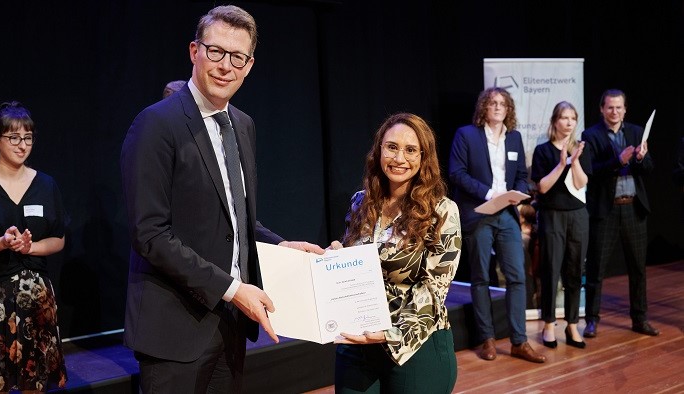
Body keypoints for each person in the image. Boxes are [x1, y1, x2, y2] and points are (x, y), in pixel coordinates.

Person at [120, 6, 324, 393]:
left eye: (237, 57)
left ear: (249, 66)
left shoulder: (242, 124)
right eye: (216, 52)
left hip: (229, 325)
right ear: (194, 51)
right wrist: (233, 289)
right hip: (174, 333)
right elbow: (150, 235)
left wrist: (282, 246)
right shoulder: (155, 125)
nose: (225, 66)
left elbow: (235, 218)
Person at [331, 113, 462, 393]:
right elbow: (358, 265)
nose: (399, 158)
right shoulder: (361, 202)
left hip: (416, 346)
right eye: (391, 147)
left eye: (410, 150)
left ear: (424, 157)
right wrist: (336, 258)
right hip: (359, 343)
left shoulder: (442, 211)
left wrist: (390, 335)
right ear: (379, 150)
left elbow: (435, 288)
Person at [448, 87, 546, 363]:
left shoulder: (514, 138)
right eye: (492, 103)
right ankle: (487, 339)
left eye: (503, 103)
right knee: (481, 277)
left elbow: (523, 176)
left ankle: (519, 341)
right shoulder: (466, 135)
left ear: (509, 109)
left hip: (507, 215)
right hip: (479, 212)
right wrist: (489, 193)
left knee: (517, 276)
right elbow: (456, 173)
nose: (498, 107)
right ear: (484, 107)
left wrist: (515, 194)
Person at [0, 102, 67, 391]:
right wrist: (2, 243)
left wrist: (30, 248)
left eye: (28, 138)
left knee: (36, 383)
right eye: (14, 138)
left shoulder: (46, 184)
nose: (23, 145)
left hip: (37, 300)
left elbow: (59, 239)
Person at [582, 89, 659, 338]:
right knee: (596, 268)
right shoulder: (591, 135)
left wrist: (641, 158)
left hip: (633, 208)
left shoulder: (636, 132)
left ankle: (640, 318)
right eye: (610, 108)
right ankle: (591, 320)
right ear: (602, 109)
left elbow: (648, 169)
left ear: (625, 109)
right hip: (607, 209)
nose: (614, 112)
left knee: (638, 268)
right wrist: (619, 160)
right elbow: (591, 172)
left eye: (619, 108)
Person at [531, 101, 590, 349]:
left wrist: (574, 161)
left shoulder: (581, 148)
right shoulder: (543, 150)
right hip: (552, 215)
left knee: (575, 271)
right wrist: (561, 162)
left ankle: (573, 324)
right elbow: (542, 187)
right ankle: (548, 324)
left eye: (573, 118)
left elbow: (581, 183)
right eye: (564, 118)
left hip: (577, 215)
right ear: (555, 121)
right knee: (551, 270)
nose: (568, 123)